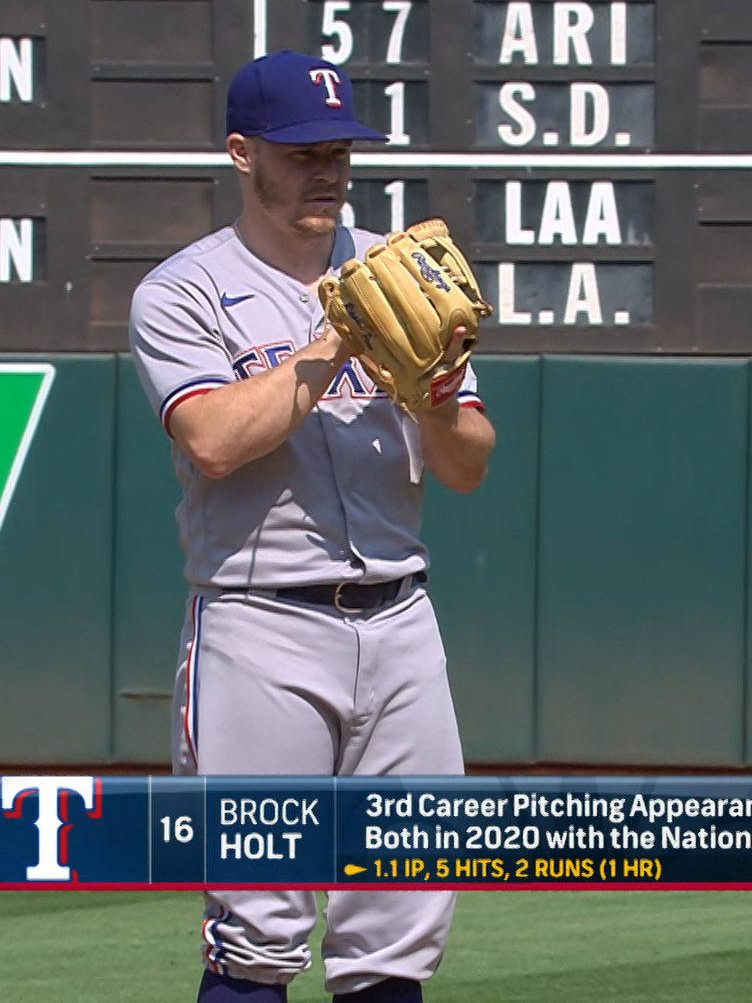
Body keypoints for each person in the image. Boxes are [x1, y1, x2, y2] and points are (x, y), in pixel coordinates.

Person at [128, 50, 497, 1003]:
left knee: (400, 926)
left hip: (402, 618)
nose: (326, 171)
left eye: (338, 150)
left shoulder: (405, 272)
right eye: (300, 152)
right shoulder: (184, 290)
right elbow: (212, 441)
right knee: (256, 928)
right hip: (262, 626)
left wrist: (436, 395)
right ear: (243, 154)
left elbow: (466, 465)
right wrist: (337, 337)